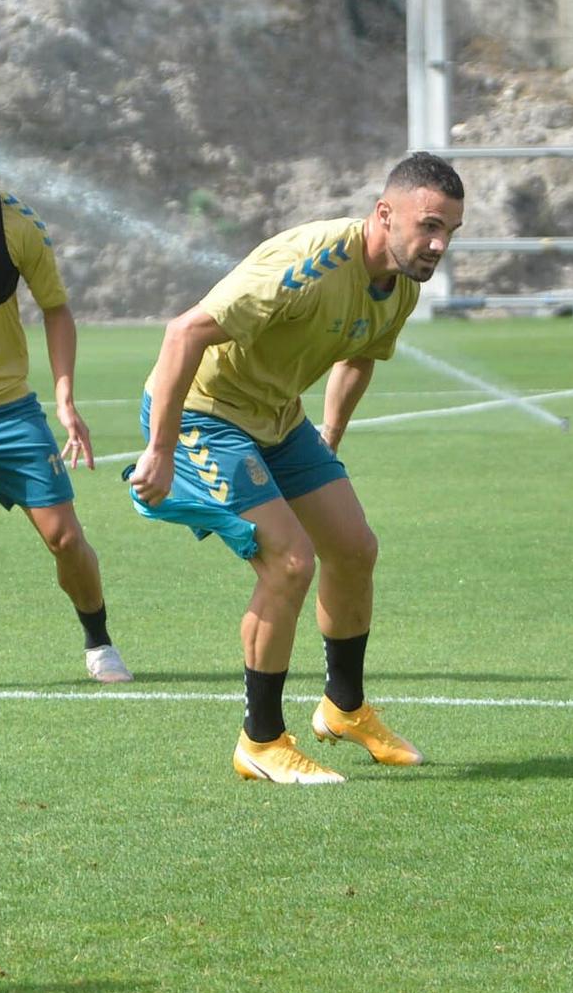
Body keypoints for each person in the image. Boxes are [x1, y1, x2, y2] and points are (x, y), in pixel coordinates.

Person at [127, 153, 467, 785]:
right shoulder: (311, 262)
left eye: (449, 230)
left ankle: (344, 709)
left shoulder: (403, 285)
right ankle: (260, 741)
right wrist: (162, 450)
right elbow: (184, 332)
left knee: (354, 547)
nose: (438, 243)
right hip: (206, 412)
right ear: (384, 214)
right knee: (289, 561)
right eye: (428, 226)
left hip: (280, 419)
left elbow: (361, 355)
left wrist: (328, 440)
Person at [0, 99, 132, 684]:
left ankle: (99, 640)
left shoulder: (19, 225)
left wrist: (64, 399)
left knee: (65, 538)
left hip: (9, 412)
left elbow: (56, 309)